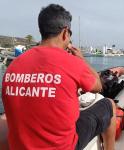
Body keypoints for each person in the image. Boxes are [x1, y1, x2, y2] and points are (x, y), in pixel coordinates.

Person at [2, 4, 116, 150]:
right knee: (109, 104)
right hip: (63, 146)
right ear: (65, 33)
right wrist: (81, 59)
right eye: (70, 34)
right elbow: (98, 87)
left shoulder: (13, 65)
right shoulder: (73, 63)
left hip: (20, 145)